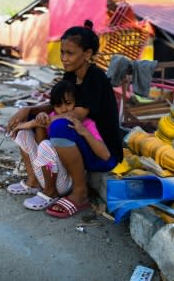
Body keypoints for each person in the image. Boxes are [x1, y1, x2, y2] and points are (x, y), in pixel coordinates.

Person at [7, 25, 123, 218]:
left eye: (70, 53)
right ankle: (35, 179)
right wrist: (28, 111)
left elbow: (75, 115)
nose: (64, 58)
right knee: (30, 117)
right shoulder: (71, 74)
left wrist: (37, 121)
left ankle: (80, 192)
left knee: (60, 126)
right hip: (82, 144)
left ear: (87, 54)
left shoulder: (95, 78)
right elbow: (56, 105)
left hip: (102, 153)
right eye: (62, 52)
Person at [7, 80, 110, 211]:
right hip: (47, 174)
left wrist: (84, 132)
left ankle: (51, 193)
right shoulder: (51, 117)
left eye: (68, 103)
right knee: (24, 134)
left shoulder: (86, 123)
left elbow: (105, 155)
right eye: (58, 105)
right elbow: (40, 146)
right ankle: (33, 182)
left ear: (76, 103)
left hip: (65, 181)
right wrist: (40, 122)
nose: (64, 109)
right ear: (53, 106)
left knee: (46, 144)